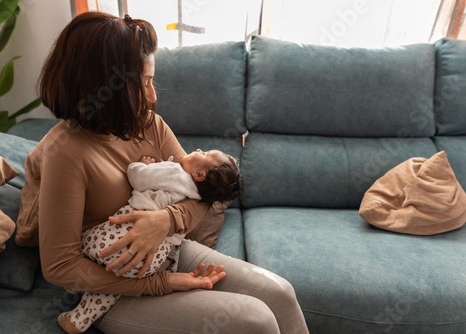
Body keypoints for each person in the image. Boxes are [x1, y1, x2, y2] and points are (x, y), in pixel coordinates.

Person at [19, 11, 309, 333]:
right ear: (105, 86)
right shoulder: (66, 153)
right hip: (111, 286)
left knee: (280, 293)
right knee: (255, 320)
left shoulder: (146, 123)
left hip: (169, 249)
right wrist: (162, 283)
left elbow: (201, 194)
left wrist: (165, 221)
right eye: (143, 82)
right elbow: (60, 267)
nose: (153, 96)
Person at [58, 151, 243, 333]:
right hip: (152, 258)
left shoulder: (175, 173)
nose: (198, 150)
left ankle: (76, 281)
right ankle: (79, 319)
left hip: (126, 231)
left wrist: (143, 165)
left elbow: (138, 177)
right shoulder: (199, 199)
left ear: (199, 174)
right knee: (118, 281)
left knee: (87, 240)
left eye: (205, 153)